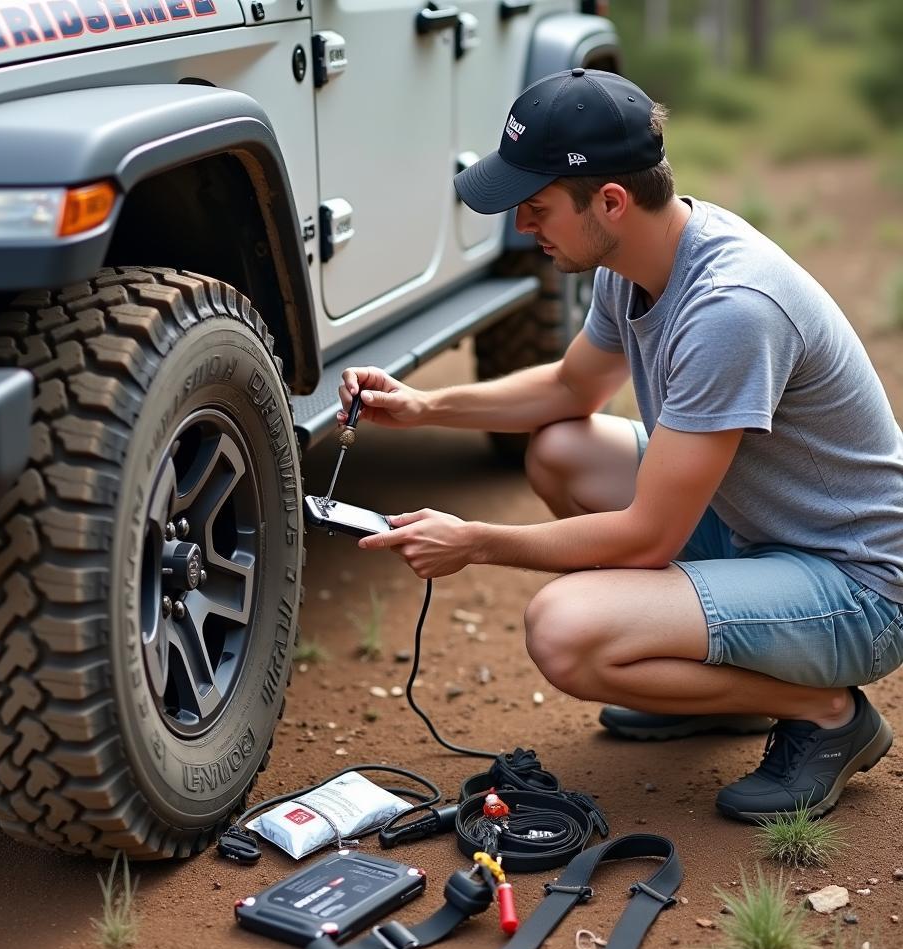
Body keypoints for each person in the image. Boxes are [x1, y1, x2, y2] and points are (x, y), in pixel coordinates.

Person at [337, 68, 903, 822]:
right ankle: (710, 682)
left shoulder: (732, 309)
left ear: (610, 201)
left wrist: (474, 540)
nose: (523, 228)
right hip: (761, 532)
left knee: (565, 633)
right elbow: (570, 391)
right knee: (561, 451)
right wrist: (422, 406)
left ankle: (826, 713)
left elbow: (647, 537)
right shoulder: (636, 258)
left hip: (857, 588)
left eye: (535, 209)